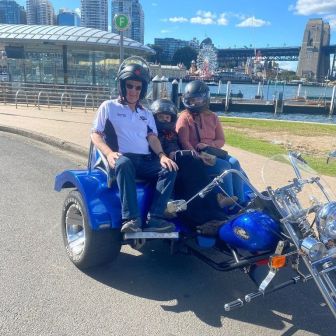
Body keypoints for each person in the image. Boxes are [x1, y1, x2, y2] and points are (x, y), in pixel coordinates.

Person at [91, 62, 178, 233]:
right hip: (122, 158)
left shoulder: (145, 113)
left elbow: (152, 137)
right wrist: (108, 153)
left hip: (145, 161)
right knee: (123, 163)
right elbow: (95, 134)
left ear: (143, 90)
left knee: (170, 169)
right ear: (122, 86)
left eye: (138, 88)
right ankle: (131, 219)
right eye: (129, 86)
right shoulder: (108, 107)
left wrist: (162, 155)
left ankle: (155, 218)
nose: (133, 91)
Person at [151, 98, 228, 227]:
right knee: (183, 169)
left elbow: (172, 146)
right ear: (154, 117)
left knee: (193, 165)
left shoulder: (171, 134)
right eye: (161, 117)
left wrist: (175, 153)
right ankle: (175, 206)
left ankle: (214, 209)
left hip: (170, 159)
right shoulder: (151, 133)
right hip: (155, 160)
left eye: (167, 117)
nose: (165, 119)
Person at [176, 80, 245, 205]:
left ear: (205, 99)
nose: (195, 102)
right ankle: (227, 199)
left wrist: (209, 146)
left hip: (212, 152)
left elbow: (221, 140)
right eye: (192, 100)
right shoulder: (184, 118)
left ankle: (241, 201)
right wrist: (197, 156)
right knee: (225, 167)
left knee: (235, 162)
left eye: (198, 99)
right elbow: (184, 141)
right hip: (197, 157)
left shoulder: (213, 117)